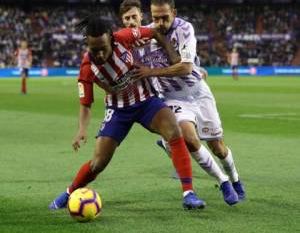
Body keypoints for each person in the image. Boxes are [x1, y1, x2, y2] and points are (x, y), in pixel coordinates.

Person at [49, 15, 206, 211]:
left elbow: (156, 32)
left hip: (146, 100)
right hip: (117, 110)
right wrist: (82, 129)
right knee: (98, 163)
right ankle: (69, 192)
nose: (98, 54)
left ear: (111, 39)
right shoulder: (87, 69)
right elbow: (86, 104)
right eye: (93, 49)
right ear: (87, 44)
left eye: (103, 49)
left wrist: (173, 54)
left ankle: (189, 194)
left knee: (174, 132)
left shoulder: (125, 37)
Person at [123, 0, 245, 204]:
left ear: (174, 13)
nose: (160, 23)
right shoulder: (145, 36)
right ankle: (223, 182)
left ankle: (235, 179)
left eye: (164, 18)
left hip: (198, 92)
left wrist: (152, 72)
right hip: (172, 98)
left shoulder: (184, 28)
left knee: (218, 147)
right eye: (156, 18)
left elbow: (186, 67)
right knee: (188, 137)